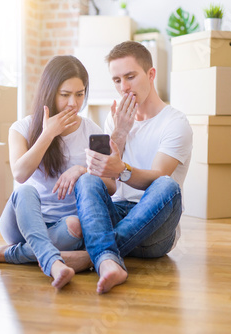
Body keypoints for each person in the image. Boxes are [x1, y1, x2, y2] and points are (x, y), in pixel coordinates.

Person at [0, 55, 115, 289]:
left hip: (63, 229)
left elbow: (111, 185)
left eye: (80, 94)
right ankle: (52, 261)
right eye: (65, 95)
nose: (73, 104)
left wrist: (81, 170)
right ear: (50, 92)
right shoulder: (22, 128)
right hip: (21, 221)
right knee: (25, 191)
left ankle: (7, 255)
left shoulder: (93, 131)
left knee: (77, 225)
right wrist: (48, 134)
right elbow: (20, 174)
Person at [74, 41, 193, 294]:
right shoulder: (114, 119)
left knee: (167, 185)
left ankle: (93, 254)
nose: (123, 88)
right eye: (116, 80)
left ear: (150, 75)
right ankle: (108, 261)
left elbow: (158, 179)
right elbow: (106, 183)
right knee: (86, 180)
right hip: (118, 213)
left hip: (156, 228)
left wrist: (122, 168)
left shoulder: (175, 123)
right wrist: (120, 133)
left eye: (130, 77)